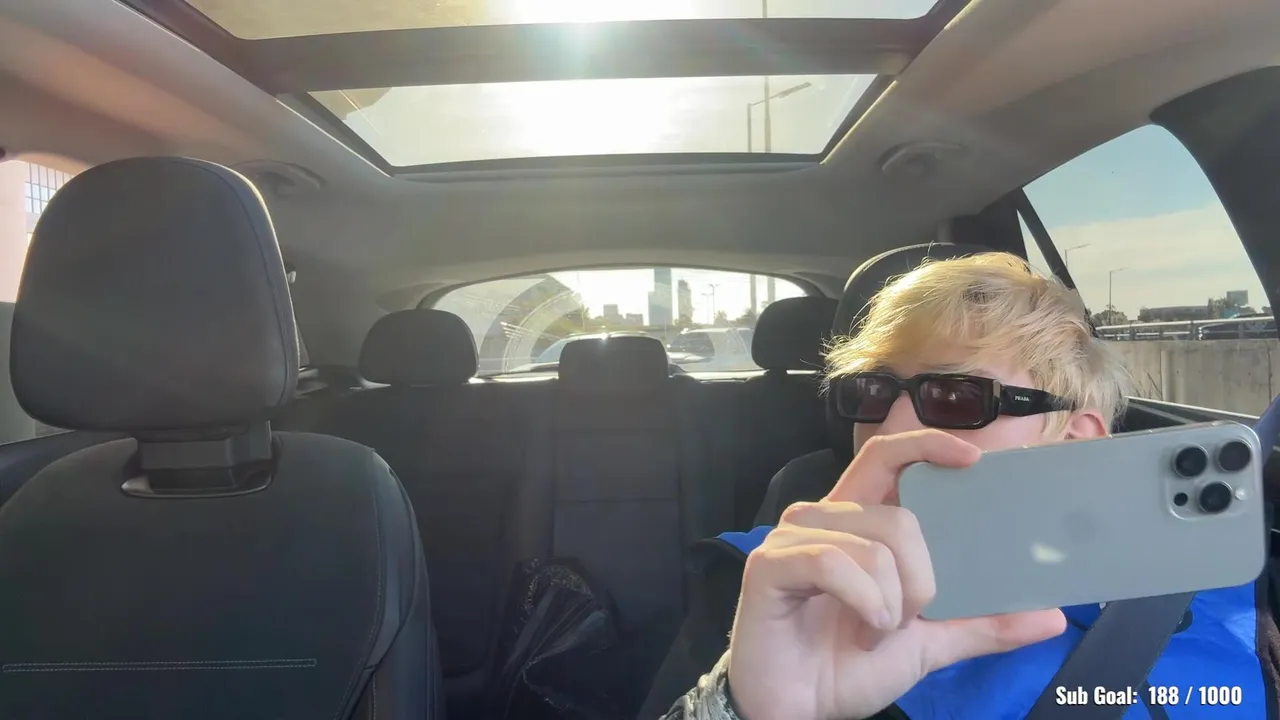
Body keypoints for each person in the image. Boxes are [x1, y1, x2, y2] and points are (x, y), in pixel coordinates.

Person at [656, 252, 1280, 720]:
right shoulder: (781, 587)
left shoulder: (1225, 585)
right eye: (872, 391)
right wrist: (743, 707)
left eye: (956, 395)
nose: (889, 429)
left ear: (1076, 436)